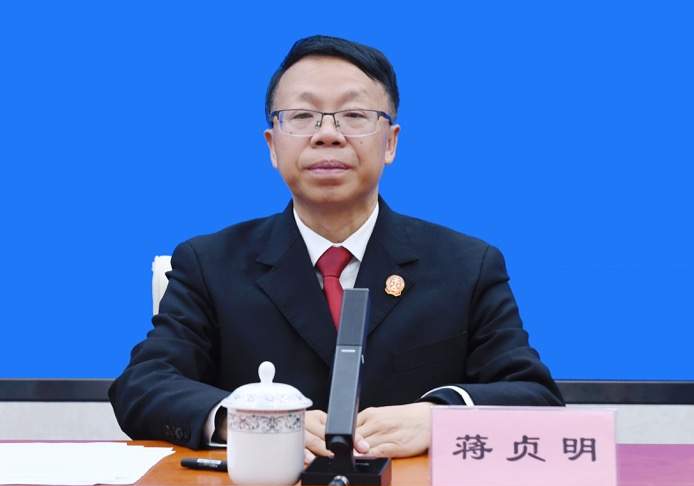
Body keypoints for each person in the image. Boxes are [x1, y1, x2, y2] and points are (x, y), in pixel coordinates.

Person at [109, 35, 563, 461]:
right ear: (272, 146)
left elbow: (536, 397)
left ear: (391, 142)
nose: (328, 134)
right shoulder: (209, 263)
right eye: (302, 116)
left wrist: (438, 418)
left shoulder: (467, 265)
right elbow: (142, 386)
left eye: (354, 115)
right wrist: (246, 420)